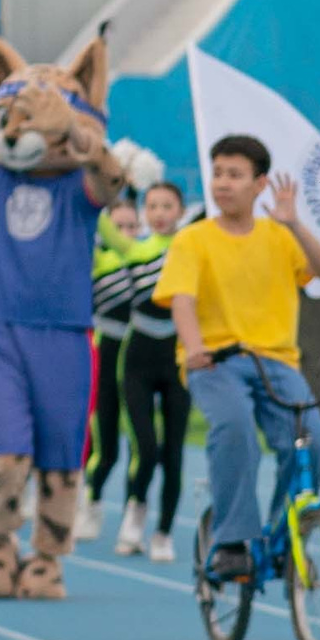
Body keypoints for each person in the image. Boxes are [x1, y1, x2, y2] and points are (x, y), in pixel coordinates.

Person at [155, 136, 320, 581]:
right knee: (235, 429)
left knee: (313, 443)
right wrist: (195, 347)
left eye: (234, 175)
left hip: (276, 361)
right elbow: (181, 299)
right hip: (216, 362)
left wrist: (293, 223)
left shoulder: (279, 236)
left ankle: (282, 534)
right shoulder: (193, 239)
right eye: (217, 173)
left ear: (259, 184)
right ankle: (233, 540)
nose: (222, 184)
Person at [114, 182, 189, 559]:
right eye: (153, 206)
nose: (159, 212)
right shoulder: (132, 248)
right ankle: (135, 509)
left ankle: (163, 532)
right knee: (144, 447)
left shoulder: (191, 247)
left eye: (167, 205)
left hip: (177, 358)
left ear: (180, 210)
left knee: (174, 452)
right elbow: (98, 215)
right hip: (139, 357)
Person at [76, 200, 141, 541]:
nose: (127, 233)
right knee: (105, 446)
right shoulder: (99, 258)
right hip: (105, 355)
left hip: (140, 357)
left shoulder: (146, 256)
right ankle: (91, 500)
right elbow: (92, 218)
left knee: (139, 444)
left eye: (132, 226)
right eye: (120, 227)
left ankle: (133, 512)